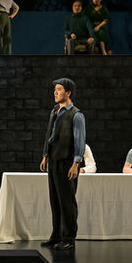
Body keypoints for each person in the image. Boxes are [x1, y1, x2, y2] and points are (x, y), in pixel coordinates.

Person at [40, 77, 85, 251]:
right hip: (54, 159)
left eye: (59, 90)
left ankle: (68, 237)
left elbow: (79, 140)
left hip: (67, 161)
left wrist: (76, 163)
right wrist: (45, 155)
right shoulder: (55, 111)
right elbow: (49, 135)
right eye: (55, 90)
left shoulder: (76, 114)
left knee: (67, 201)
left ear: (68, 93)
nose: (55, 92)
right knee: (55, 200)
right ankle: (57, 235)